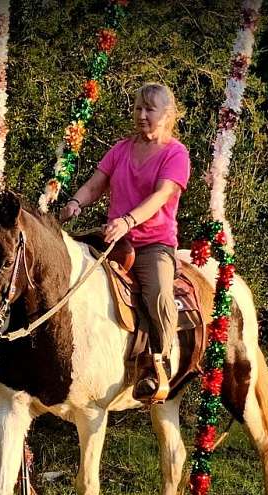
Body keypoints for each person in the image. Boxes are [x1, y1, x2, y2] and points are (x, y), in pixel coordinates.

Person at [61, 83, 191, 401]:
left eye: (150, 109)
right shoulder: (121, 149)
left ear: (167, 115)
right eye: (137, 108)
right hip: (112, 239)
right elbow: (95, 186)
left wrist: (128, 221)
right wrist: (75, 202)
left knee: (159, 294)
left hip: (153, 244)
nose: (142, 115)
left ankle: (160, 362)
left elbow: (161, 196)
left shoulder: (176, 153)